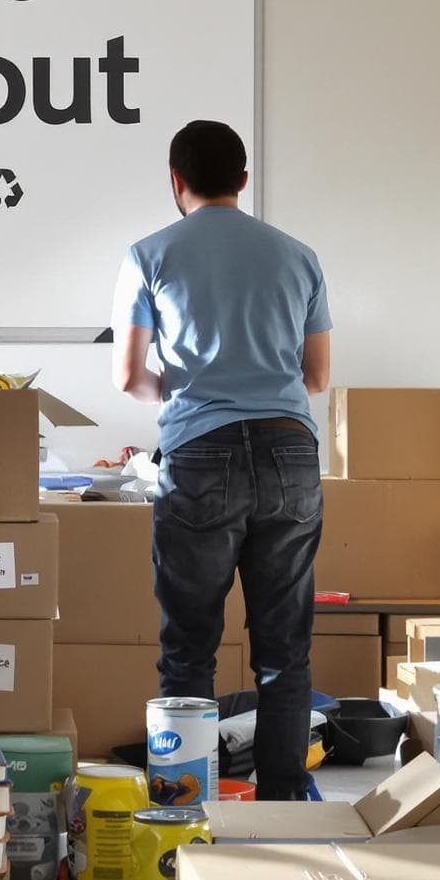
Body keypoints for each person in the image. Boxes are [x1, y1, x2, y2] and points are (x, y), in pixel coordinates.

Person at [111, 119, 332, 800]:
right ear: (242, 179)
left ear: (176, 183)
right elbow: (316, 377)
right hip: (290, 455)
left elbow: (129, 376)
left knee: (189, 649)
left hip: (200, 457)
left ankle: (186, 810)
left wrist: (178, 389)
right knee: (284, 653)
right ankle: (285, 806)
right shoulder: (298, 256)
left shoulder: (149, 254)